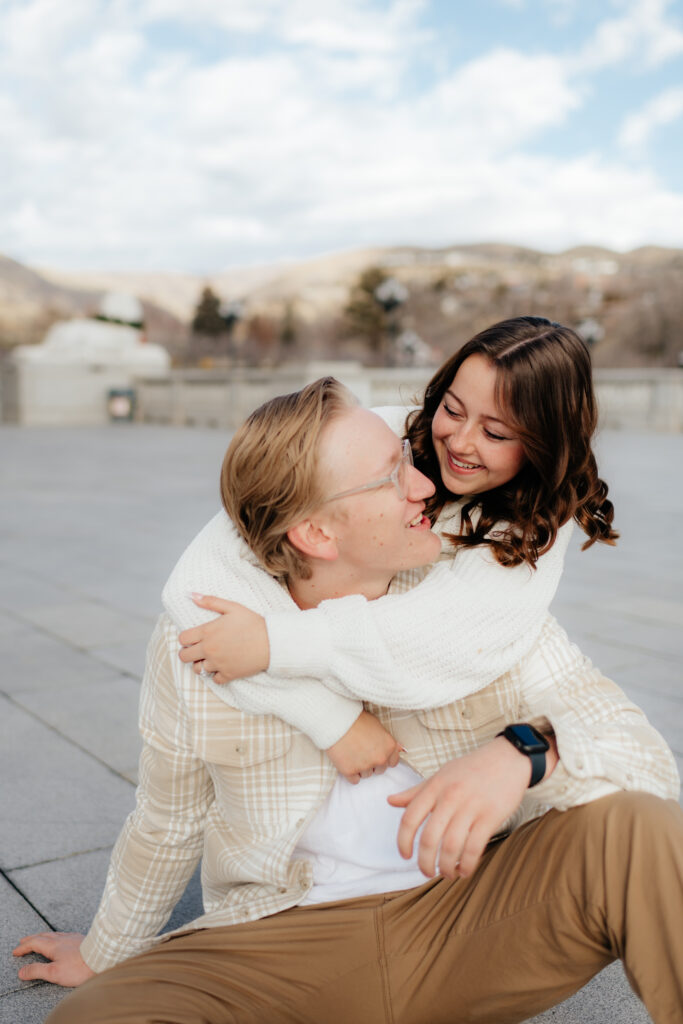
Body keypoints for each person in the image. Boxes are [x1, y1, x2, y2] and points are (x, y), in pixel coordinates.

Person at [14, 377, 682, 1023]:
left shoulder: (471, 610)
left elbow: (645, 759)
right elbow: (167, 817)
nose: (427, 481)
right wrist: (106, 953)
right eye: (394, 472)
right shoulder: (207, 641)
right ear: (316, 535)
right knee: (96, 1016)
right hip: (280, 936)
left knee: (639, 829)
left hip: (467, 918)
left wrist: (523, 752)